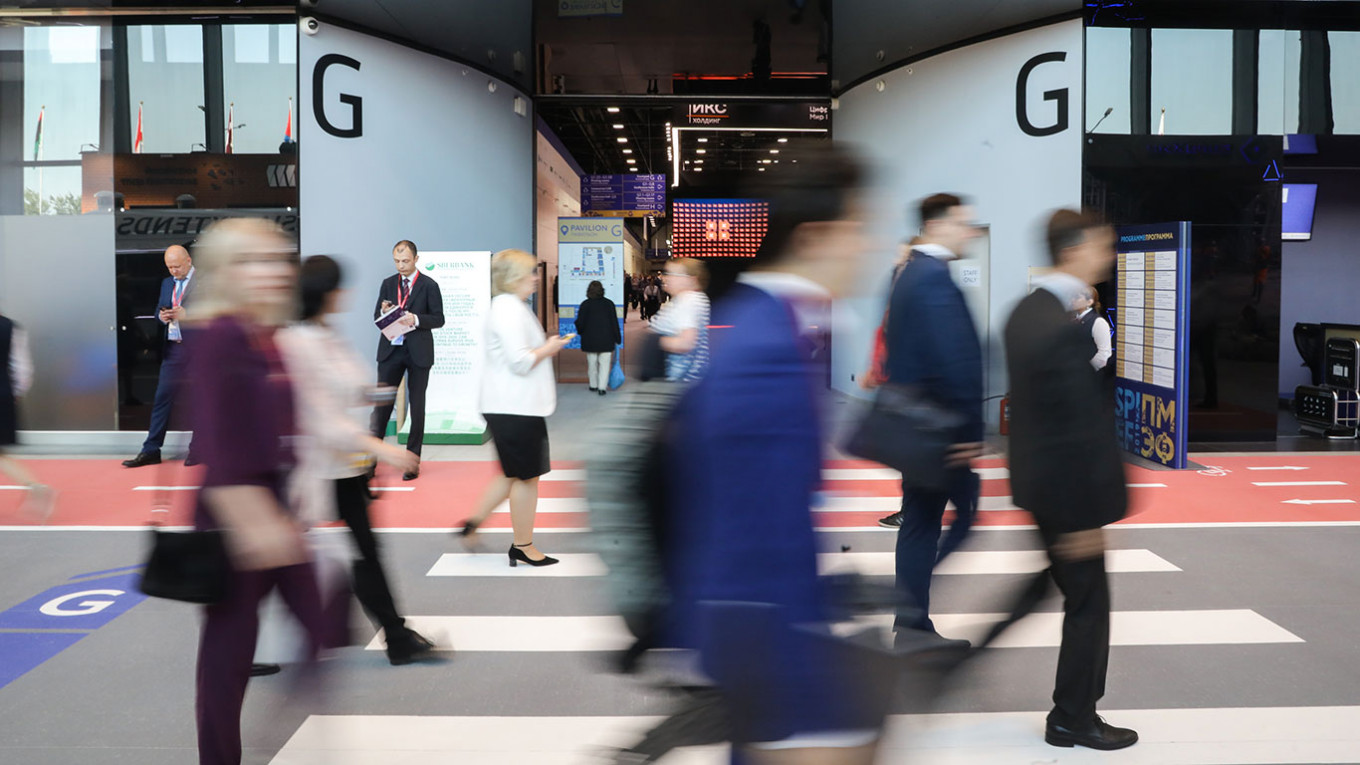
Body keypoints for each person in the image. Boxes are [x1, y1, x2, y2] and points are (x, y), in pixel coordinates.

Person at [663, 146, 884, 763]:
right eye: (859, 227)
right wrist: (809, 711)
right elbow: (752, 538)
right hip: (766, 641)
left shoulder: (774, 325)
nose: (868, 246)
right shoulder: (770, 350)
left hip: (763, 633)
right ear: (815, 236)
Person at [184, 218, 335, 765]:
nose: (271, 271)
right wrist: (252, 519)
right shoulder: (220, 335)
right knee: (227, 657)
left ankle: (296, 725)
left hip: (277, 505)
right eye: (252, 261)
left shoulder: (267, 334)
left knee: (320, 625)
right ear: (225, 271)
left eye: (276, 259)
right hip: (235, 517)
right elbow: (216, 436)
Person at [1001, 209, 1136, 751]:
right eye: (1103, 245)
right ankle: (1073, 717)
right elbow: (1077, 429)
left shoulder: (1026, 311)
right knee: (1088, 605)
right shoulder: (1061, 329)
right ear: (1074, 249)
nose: (1109, 256)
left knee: (1071, 595)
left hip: (1040, 486)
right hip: (1067, 496)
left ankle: (1072, 713)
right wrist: (1088, 515)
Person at [279, 255, 437, 666]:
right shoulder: (297, 342)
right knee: (289, 554)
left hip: (344, 466)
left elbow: (349, 387)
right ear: (325, 293)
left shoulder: (325, 333)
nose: (345, 294)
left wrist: (377, 394)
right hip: (317, 468)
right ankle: (254, 637)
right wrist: (386, 449)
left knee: (365, 549)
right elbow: (322, 422)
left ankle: (395, 636)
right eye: (339, 287)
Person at [882, 193, 984, 642]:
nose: (969, 232)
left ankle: (911, 623)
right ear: (938, 224)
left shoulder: (907, 274)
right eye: (963, 223)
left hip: (917, 427)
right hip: (939, 432)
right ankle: (909, 620)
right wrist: (968, 430)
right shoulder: (933, 278)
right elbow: (954, 361)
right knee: (957, 518)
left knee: (920, 524)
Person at [458, 249, 568, 567]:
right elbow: (520, 361)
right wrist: (550, 347)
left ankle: (472, 525)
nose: (536, 278)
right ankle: (523, 545)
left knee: (512, 473)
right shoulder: (508, 309)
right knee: (526, 477)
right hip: (515, 407)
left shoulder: (509, 307)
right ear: (514, 277)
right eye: (530, 272)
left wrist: (545, 347)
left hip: (512, 405)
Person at [369, 240, 445, 481]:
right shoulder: (387, 283)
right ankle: (369, 463)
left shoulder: (429, 285)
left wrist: (416, 319)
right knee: (381, 406)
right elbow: (376, 315)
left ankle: (412, 462)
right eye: (397, 261)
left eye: (405, 261)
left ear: (416, 259)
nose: (401, 265)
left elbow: (439, 319)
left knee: (417, 406)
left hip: (418, 352)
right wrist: (384, 312)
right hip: (391, 350)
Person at [124, 244, 196, 468]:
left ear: (188, 261)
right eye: (169, 267)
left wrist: (189, 315)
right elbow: (157, 310)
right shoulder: (167, 283)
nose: (173, 271)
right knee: (162, 399)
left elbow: (217, 314)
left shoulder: (206, 282)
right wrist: (161, 317)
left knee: (200, 400)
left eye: (177, 266)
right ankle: (151, 449)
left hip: (198, 349)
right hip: (173, 348)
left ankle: (199, 448)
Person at [0, 312, 51, 519]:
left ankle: (36, 487)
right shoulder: (10, 327)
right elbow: (22, 367)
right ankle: (35, 487)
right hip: (3, 393)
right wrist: (16, 392)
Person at [649, 258, 711, 382]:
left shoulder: (688, 301)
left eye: (672, 274)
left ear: (691, 279)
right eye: (666, 273)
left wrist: (654, 340)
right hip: (682, 380)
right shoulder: (689, 299)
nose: (666, 278)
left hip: (680, 381)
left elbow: (685, 343)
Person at [574, 280, 621, 395]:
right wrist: (617, 338)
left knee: (592, 364)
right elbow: (614, 323)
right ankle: (602, 387)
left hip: (590, 340)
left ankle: (593, 385)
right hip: (606, 339)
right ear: (602, 290)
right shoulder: (609, 304)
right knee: (605, 364)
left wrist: (581, 331)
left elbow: (580, 323)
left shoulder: (585, 304)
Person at [1074, 288, 1112, 373]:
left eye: (1077, 297)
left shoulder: (1098, 322)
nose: (1073, 300)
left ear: (1089, 302)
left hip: (1087, 374)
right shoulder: (1073, 319)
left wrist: (1086, 370)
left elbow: (1104, 353)